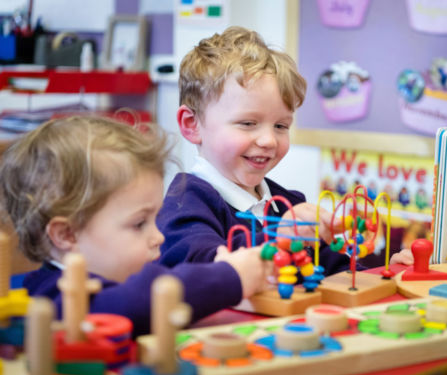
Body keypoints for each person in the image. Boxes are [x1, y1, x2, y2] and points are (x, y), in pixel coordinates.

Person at [0, 115, 266, 336]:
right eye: (139, 224)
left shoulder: (119, 272)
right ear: (67, 234)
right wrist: (229, 277)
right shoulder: (53, 298)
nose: (158, 236)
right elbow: (138, 301)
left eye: (154, 219)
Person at [157, 26, 354, 275]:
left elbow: (342, 272)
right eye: (248, 123)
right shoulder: (183, 207)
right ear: (191, 124)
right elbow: (203, 272)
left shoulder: (287, 205)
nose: (269, 140)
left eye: (281, 126)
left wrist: (391, 269)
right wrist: (281, 237)